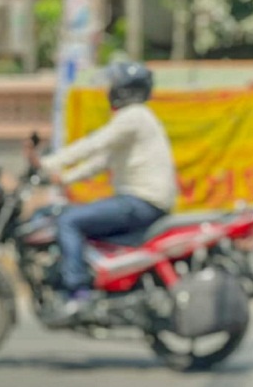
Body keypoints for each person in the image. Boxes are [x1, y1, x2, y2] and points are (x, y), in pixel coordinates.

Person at [24, 61, 178, 320]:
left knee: (68, 220)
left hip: (140, 202)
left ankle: (78, 292)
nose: (110, 89)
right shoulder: (136, 120)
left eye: (114, 84)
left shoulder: (135, 116)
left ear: (125, 89)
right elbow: (101, 162)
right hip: (141, 201)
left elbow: (95, 144)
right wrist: (63, 178)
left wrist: (48, 163)